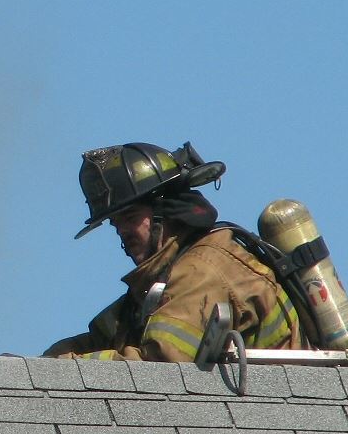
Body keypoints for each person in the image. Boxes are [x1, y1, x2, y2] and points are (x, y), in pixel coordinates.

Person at [45, 141, 304, 362]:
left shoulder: (202, 270)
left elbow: (159, 366)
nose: (122, 231)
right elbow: (105, 335)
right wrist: (41, 364)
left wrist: (68, 366)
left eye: (130, 217)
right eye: (115, 223)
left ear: (166, 212)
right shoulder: (165, 277)